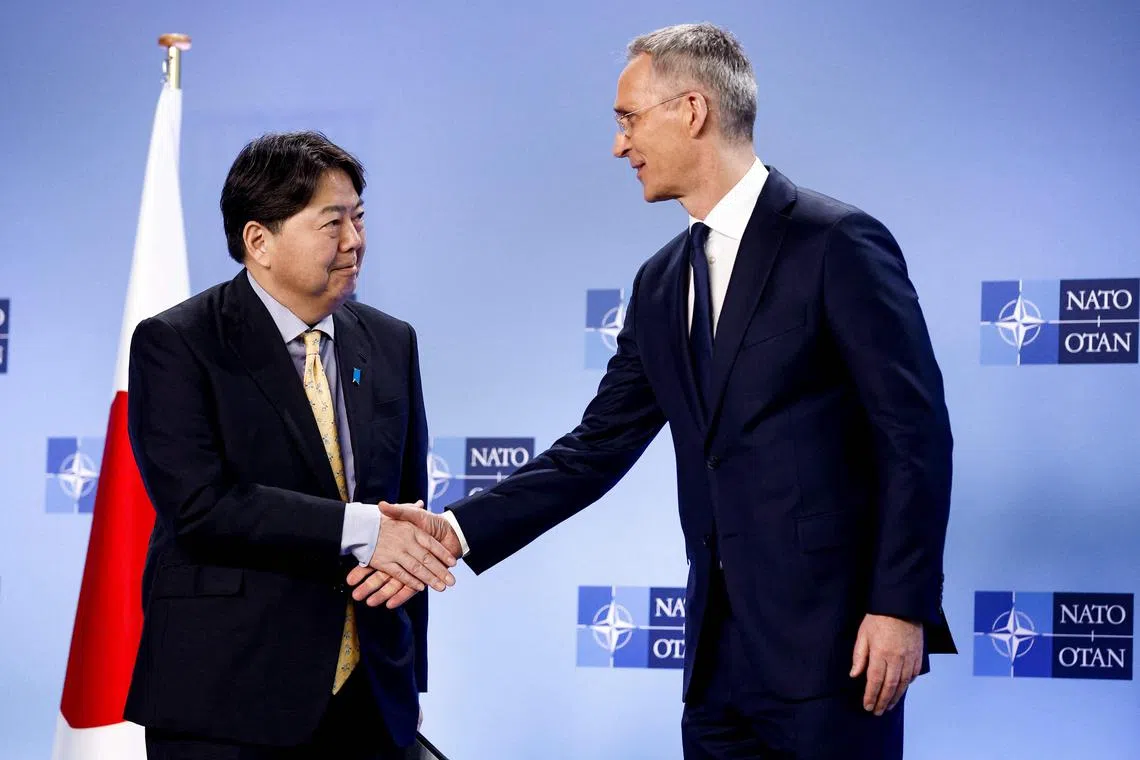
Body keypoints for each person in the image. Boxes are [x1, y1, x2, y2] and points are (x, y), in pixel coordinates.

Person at [357, 23, 955, 759]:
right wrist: (456, 531)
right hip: (715, 665)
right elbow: (595, 449)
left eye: (628, 119)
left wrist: (900, 606)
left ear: (693, 110)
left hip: (837, 653)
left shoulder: (837, 244)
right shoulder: (660, 282)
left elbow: (914, 437)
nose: (618, 145)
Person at [124, 131, 457, 760]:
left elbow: (406, 507)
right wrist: (360, 528)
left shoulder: (392, 342)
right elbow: (200, 508)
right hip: (228, 700)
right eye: (332, 223)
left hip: (372, 699)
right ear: (259, 241)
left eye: (359, 218)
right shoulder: (179, 343)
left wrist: (408, 675)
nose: (355, 241)